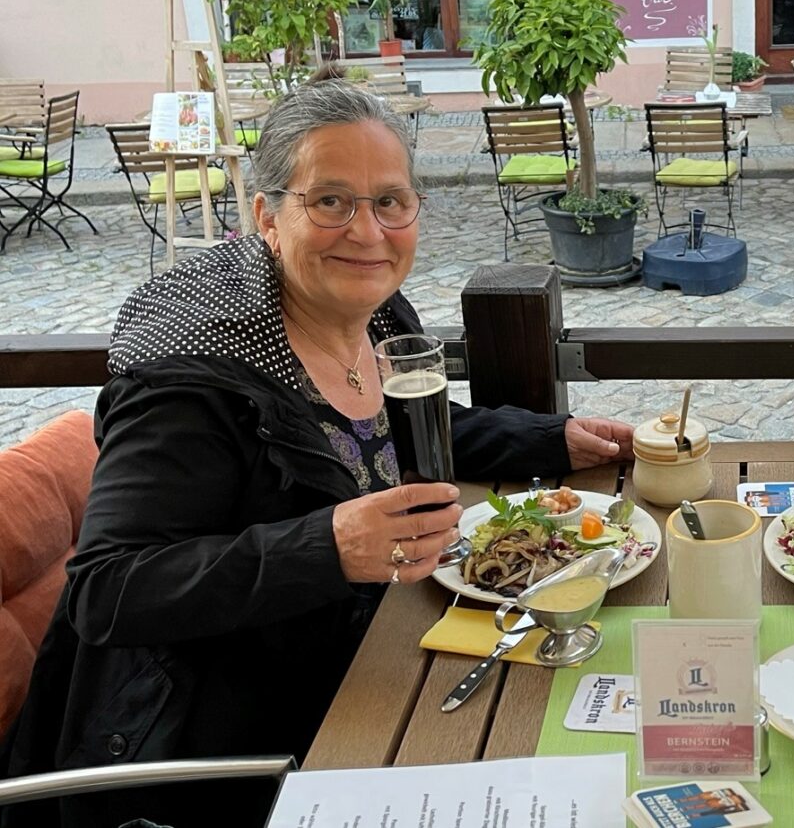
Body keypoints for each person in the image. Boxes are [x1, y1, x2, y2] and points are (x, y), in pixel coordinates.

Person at [1, 73, 636, 827]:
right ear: (266, 215)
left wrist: (551, 435)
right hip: (234, 753)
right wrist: (327, 545)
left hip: (377, 661)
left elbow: (393, 434)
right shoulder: (193, 379)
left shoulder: (371, 312)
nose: (367, 232)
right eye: (330, 201)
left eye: (390, 202)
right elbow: (108, 589)